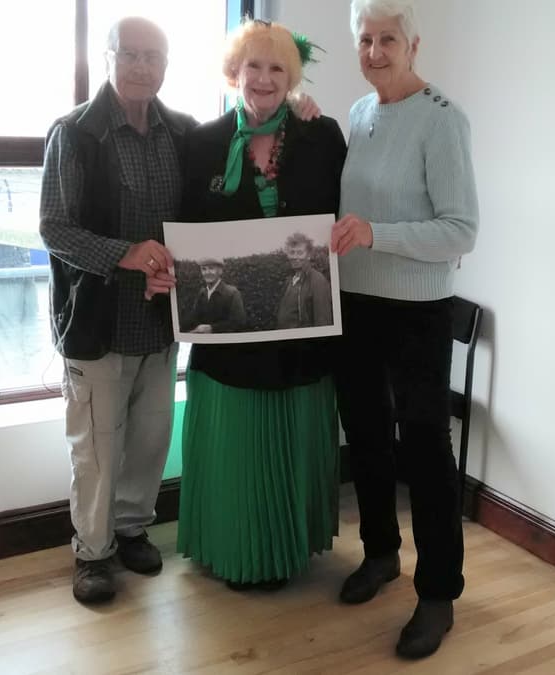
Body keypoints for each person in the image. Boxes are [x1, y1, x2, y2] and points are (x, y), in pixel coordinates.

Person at [172, 19, 347, 591]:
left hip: (301, 333)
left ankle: (291, 547)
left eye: (278, 68)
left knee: (293, 437)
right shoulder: (202, 142)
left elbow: (340, 222)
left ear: (292, 79)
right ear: (234, 73)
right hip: (232, 341)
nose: (265, 78)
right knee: (238, 448)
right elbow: (184, 233)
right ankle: (238, 550)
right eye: (254, 66)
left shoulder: (322, 137)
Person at [330, 0, 479, 660]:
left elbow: (461, 229)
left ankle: (439, 592)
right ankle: (382, 553)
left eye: (387, 37)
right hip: (355, 304)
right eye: (365, 38)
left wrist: (376, 233)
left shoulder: (444, 120)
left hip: (420, 310)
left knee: (424, 448)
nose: (374, 50)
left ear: (413, 44)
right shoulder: (360, 115)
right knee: (364, 434)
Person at [39, 17, 190, 605]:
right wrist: (123, 254)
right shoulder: (74, 134)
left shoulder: (180, 132)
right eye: (129, 54)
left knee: (151, 437)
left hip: (159, 321)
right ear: (107, 58)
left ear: (166, 64)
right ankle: (92, 552)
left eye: (154, 55)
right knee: (98, 448)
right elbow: (54, 228)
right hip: (97, 322)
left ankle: (131, 529)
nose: (142, 66)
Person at [275, 232, 333, 329]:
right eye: (292, 252)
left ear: (309, 255)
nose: (295, 257)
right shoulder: (289, 280)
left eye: (300, 252)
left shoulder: (318, 281)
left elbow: (323, 323)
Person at [181, 258, 247, 333]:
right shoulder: (202, 292)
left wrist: (212, 328)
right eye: (204, 269)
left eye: (211, 268)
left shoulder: (232, 293)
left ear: (220, 271)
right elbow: (195, 317)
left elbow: (239, 322)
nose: (207, 272)